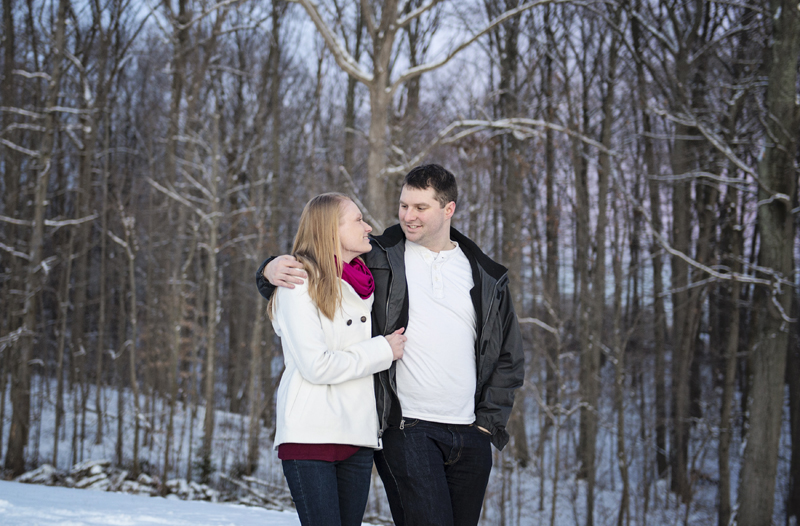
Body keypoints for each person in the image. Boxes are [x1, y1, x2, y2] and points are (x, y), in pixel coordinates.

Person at [257, 165, 524, 526]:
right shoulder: (379, 257)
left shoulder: (486, 274)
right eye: (403, 206)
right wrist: (268, 270)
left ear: (449, 210)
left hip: (469, 433)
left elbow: (508, 354)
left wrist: (486, 426)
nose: (407, 216)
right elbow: (318, 260)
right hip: (407, 428)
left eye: (420, 208)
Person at [267, 192, 406, 526]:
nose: (368, 226)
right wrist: (382, 350)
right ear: (331, 229)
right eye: (358, 220)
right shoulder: (298, 284)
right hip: (311, 434)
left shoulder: (366, 283)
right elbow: (317, 365)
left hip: (357, 435)